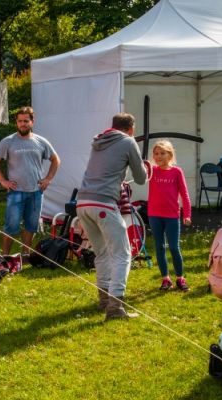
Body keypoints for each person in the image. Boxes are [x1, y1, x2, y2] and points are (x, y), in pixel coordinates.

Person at [76, 113, 148, 320]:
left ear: (113, 126)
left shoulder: (98, 140)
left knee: (102, 253)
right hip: (103, 203)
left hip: (83, 203)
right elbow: (141, 178)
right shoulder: (128, 141)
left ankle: (104, 300)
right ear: (131, 128)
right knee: (122, 254)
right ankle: (115, 307)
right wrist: (145, 167)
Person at [0, 107, 60, 258]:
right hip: (16, 191)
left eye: (26, 121)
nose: (23, 124)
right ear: (16, 123)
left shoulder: (41, 141)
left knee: (31, 225)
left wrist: (48, 179)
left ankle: (26, 255)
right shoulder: (8, 141)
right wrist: (3, 181)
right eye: (20, 121)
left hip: (36, 192)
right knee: (11, 226)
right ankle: (5, 257)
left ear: (32, 122)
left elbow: (55, 160)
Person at [147, 140, 192, 292]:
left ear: (170, 154)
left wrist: (187, 214)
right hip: (154, 215)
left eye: (162, 153)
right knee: (159, 247)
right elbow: (139, 172)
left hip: (172, 215)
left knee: (173, 247)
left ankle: (180, 278)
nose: (159, 156)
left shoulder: (176, 171)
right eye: (156, 153)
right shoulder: (151, 171)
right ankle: (165, 279)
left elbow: (184, 195)